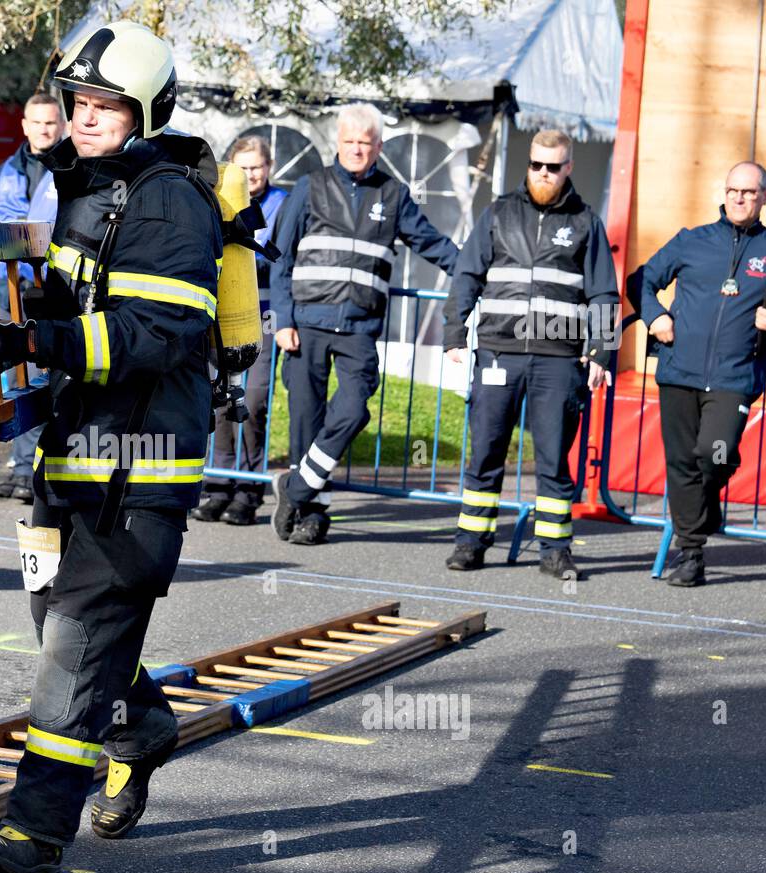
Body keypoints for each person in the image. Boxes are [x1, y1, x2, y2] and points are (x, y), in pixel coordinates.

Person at [0, 20, 223, 873]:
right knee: (53, 624)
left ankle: (34, 835)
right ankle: (141, 723)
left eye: (105, 103)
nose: (84, 116)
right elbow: (74, 301)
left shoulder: (171, 200)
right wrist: (25, 326)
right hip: (70, 460)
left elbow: (161, 331)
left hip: (137, 474)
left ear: (145, 108)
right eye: (77, 101)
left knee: (73, 652)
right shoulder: (89, 190)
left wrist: (47, 343)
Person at [270, 103, 459, 544]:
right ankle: (313, 514)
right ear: (338, 143)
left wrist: (475, 270)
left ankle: (295, 490)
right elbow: (280, 256)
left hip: (359, 327)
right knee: (305, 421)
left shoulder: (392, 195)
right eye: (350, 141)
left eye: (366, 143)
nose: (357, 149)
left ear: (378, 147)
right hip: (306, 322)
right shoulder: (309, 187)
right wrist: (281, 319)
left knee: (353, 409)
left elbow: (432, 243)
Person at [442, 130, 619, 580]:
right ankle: (471, 541)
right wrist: (454, 333)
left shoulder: (586, 222)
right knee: (485, 450)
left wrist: (602, 352)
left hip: (558, 361)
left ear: (568, 168)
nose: (543, 173)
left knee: (554, 459)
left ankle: (555, 550)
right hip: (499, 353)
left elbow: (603, 292)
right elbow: (467, 274)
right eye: (536, 164)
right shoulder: (499, 212)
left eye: (553, 166)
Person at [637, 161, 766, 586]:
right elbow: (640, 280)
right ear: (724, 192)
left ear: (764, 197)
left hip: (734, 379)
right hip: (679, 373)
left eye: (749, 192)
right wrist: (656, 316)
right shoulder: (691, 241)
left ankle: (708, 501)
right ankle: (691, 555)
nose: (739, 198)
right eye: (733, 190)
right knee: (681, 463)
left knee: (715, 453)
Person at [194, 134, 288, 525]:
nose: (250, 175)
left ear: (268, 168)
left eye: (257, 167)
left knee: (254, 402)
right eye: (243, 167)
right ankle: (219, 485)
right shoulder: (220, 198)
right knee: (219, 402)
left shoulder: (281, 205)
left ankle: (248, 489)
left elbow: (278, 262)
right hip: (223, 317)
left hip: (264, 317)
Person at [0, 91, 65, 504]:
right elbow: (10, 225)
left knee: (45, 376)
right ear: (25, 126)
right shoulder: (11, 170)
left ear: (61, 124)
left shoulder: (70, 166)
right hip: (13, 283)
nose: (44, 129)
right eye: (37, 122)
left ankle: (39, 470)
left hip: (53, 287)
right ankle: (21, 469)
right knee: (18, 378)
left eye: (50, 122)